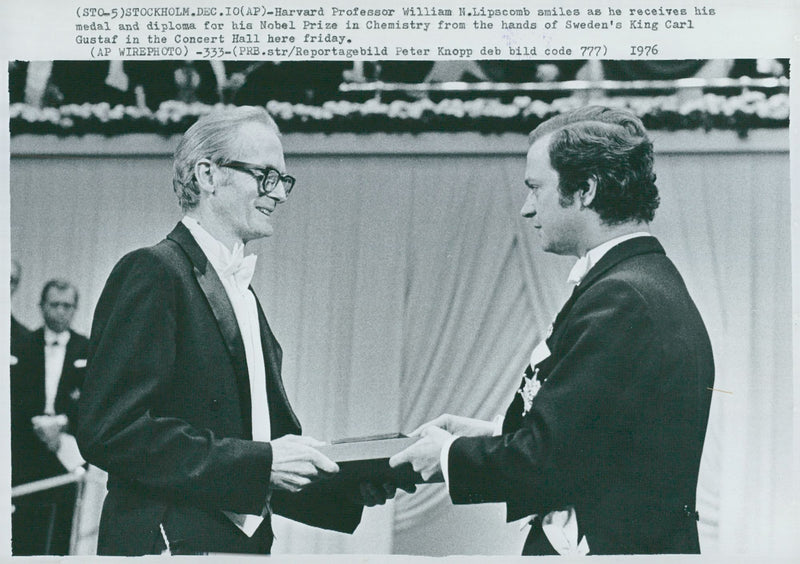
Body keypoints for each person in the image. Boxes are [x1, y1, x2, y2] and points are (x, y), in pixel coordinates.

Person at [390, 106, 714, 555]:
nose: (526, 209)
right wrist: (489, 435)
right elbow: (591, 437)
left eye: (535, 188)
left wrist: (446, 455)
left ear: (585, 189)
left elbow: (548, 460)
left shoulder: (622, 298)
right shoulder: (641, 280)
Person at [76, 106, 394, 556]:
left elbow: (254, 449)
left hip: (235, 545)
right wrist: (263, 461)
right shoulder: (152, 271)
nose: (278, 194)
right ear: (207, 175)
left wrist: (345, 484)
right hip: (167, 541)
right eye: (265, 175)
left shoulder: (243, 295)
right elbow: (110, 431)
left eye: (283, 180)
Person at [11, 279, 88, 555]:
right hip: (27, 451)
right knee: (23, 527)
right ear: (41, 307)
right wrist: (37, 424)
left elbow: (93, 403)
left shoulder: (87, 349)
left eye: (67, 306)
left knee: (62, 530)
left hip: (66, 452)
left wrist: (63, 423)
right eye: (54, 304)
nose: (60, 312)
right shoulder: (21, 346)